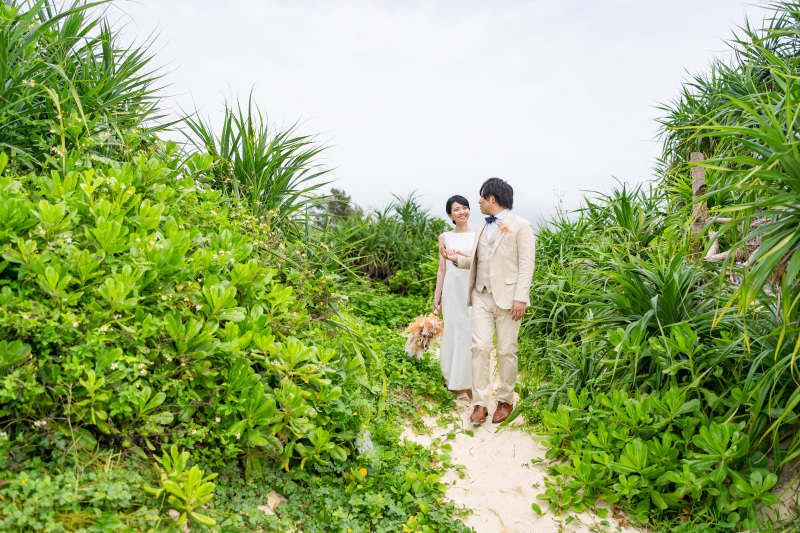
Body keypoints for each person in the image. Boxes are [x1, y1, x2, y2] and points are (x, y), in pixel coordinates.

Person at [442, 178, 535, 425]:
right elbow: (477, 261)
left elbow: (527, 265)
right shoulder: (482, 226)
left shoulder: (521, 225)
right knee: (480, 347)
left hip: (509, 299)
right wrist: (455, 260)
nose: (479, 202)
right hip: (481, 295)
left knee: (506, 350)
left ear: (492, 198)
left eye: (481, 197)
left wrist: (521, 298)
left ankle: (505, 400)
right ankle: (480, 403)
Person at [433, 195, 474, 399]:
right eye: (456, 209)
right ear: (450, 215)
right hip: (452, 289)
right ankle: (457, 385)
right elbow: (442, 269)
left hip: (471, 288)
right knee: (455, 331)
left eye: (464, 207)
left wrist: (460, 254)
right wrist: (437, 296)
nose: (461, 212)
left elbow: (480, 261)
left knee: (472, 333)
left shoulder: (478, 235)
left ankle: (473, 382)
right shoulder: (444, 237)